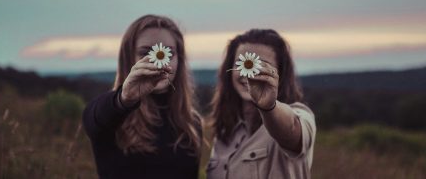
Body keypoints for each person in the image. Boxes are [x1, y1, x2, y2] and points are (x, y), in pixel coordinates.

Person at [83, 15, 201, 179]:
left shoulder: (191, 123)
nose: (157, 62)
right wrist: (124, 99)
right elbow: (93, 118)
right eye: (145, 52)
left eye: (167, 53)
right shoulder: (113, 115)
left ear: (179, 60)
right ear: (128, 58)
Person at [207, 29, 316, 179]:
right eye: (243, 63)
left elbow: (291, 130)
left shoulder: (300, 115)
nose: (249, 73)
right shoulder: (226, 131)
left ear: (280, 73)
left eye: (261, 66)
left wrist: (268, 107)